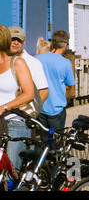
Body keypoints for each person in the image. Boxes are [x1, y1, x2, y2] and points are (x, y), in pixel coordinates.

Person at [7, 26, 49, 169]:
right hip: (3, 119)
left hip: (20, 121)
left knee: (14, 165)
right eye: (13, 39)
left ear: (24, 42)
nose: (15, 43)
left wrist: (29, 113)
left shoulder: (33, 63)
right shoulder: (4, 60)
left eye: (18, 40)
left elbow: (43, 92)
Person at [0, 24, 34, 170]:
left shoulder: (17, 62)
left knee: (10, 172)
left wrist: (4, 107)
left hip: (14, 123)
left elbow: (29, 94)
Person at [36, 30, 76, 134]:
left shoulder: (38, 59)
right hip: (57, 107)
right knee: (57, 139)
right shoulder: (66, 63)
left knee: (43, 140)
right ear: (65, 44)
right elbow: (70, 85)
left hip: (41, 105)